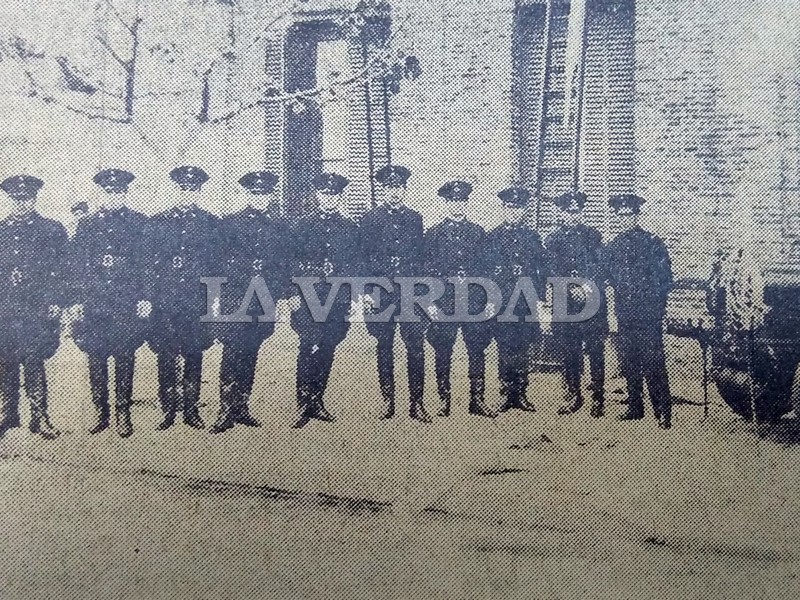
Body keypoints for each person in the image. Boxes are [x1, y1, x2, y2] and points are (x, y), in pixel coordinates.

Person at [69, 169, 151, 437]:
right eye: (108, 192)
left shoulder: (139, 223)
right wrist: (77, 301)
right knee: (96, 354)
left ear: (125, 193)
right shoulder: (87, 225)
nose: (113, 196)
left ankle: (122, 412)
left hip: (126, 300)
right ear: (101, 193)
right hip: (95, 301)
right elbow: (78, 266)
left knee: (125, 354)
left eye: (118, 192)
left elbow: (146, 265)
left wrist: (145, 297)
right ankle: (100, 411)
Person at [210, 171, 290, 434]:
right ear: (247, 194)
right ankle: (225, 410)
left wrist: (279, 295)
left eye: (264, 194)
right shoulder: (229, 224)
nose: (260, 199)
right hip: (236, 298)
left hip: (263, 299)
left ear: (270, 196)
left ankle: (242, 406)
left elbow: (282, 266)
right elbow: (218, 262)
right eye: (255, 194)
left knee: (251, 350)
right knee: (232, 350)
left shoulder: (278, 227)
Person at [146, 166, 218, 431]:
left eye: (193, 189)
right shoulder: (158, 222)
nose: (188, 194)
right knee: (166, 353)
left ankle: (190, 408)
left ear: (199, 191)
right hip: (166, 300)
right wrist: (150, 297)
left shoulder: (210, 223)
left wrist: (214, 298)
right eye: (183, 189)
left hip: (195, 299)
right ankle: (167, 410)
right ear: (175, 190)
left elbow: (215, 265)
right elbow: (148, 265)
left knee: (194, 352)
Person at [360, 165, 431, 423]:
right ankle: (388, 401)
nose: (395, 192)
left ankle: (417, 402)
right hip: (381, 292)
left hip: (409, 292)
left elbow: (421, 258)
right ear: (382, 189)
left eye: (399, 187)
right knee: (384, 344)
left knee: (416, 346)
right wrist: (367, 291)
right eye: (390, 187)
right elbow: (362, 259)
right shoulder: (371, 219)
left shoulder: (415, 218)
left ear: (405, 189)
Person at [289, 172, 358, 428]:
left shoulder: (349, 228)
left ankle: (317, 400)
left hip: (336, 298)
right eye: (325, 194)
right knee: (308, 345)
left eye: (334, 195)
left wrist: (350, 298)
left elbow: (353, 266)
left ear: (340, 197)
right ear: (318, 195)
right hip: (308, 296)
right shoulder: (302, 226)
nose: (330, 199)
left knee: (328, 346)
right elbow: (291, 262)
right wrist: (293, 293)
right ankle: (303, 404)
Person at [0, 175, 66, 439]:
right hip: (6, 308)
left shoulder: (51, 230)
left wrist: (56, 302)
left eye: (26, 198)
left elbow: (63, 271)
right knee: (5, 360)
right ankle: (8, 414)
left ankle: (40, 417)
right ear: (9, 199)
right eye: (17, 199)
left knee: (34, 359)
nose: (22, 203)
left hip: (37, 308)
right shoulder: (1, 230)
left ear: (35, 198)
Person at [604, 194, 674, 428]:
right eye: (621, 216)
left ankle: (662, 410)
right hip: (624, 312)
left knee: (653, 361)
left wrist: (656, 310)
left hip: (648, 315)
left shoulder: (652, 244)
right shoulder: (612, 247)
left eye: (629, 215)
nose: (625, 220)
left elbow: (665, 281)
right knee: (629, 360)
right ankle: (635, 407)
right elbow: (606, 278)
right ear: (617, 218)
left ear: (636, 216)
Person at [425, 180, 494, 417]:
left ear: (467, 203)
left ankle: (477, 399)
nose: (458, 206)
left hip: (473, 299)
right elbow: (426, 271)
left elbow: (487, 270)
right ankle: (444, 400)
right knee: (443, 348)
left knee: (477, 348)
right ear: (446, 203)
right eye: (453, 201)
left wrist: (488, 301)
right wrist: (429, 303)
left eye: (462, 201)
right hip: (444, 300)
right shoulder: (434, 234)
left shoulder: (478, 233)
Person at [484, 187, 549, 413]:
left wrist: (540, 300)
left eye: (518, 208)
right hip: (502, 301)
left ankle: (521, 392)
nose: (513, 212)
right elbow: (487, 273)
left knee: (523, 345)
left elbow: (541, 271)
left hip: (525, 301)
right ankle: (506, 392)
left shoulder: (532, 237)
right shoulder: (492, 237)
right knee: (504, 345)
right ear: (503, 209)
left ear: (524, 210)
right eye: (510, 208)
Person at [545, 190, 608, 418]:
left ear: (581, 212)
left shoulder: (593, 237)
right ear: (561, 213)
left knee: (595, 349)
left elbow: (600, 267)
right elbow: (550, 270)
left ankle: (598, 397)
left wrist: (586, 287)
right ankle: (573, 395)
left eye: (576, 211)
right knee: (569, 349)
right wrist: (570, 288)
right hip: (565, 302)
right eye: (568, 212)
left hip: (591, 299)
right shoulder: (552, 240)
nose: (573, 216)